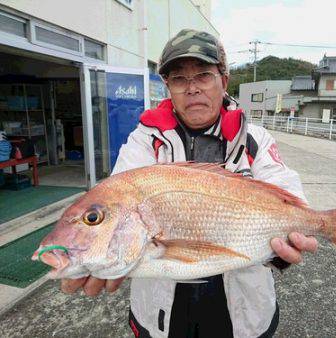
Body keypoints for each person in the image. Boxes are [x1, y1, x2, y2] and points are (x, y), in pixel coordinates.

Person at [62, 29, 318, 338]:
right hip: (162, 311)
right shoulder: (145, 140)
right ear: (167, 86)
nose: (192, 88)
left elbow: (289, 199)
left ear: (224, 81)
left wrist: (283, 249)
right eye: (180, 79)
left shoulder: (255, 139)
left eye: (204, 75)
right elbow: (114, 203)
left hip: (243, 310)